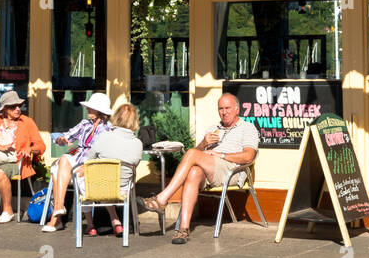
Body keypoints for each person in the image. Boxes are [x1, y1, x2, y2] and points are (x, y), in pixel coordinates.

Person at [139, 92, 259, 244]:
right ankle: (183, 229)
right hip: (210, 169)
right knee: (194, 171)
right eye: (220, 108)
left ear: (237, 109)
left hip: (232, 169)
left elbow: (248, 156)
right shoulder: (213, 128)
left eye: (227, 108)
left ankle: (162, 198)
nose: (224, 112)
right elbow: (195, 157)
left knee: (191, 153)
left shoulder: (248, 128)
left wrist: (220, 154)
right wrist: (203, 143)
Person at [41, 91, 113, 233]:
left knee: (57, 170)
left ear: (99, 111)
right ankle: (59, 207)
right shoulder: (85, 124)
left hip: (91, 166)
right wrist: (61, 139)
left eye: (90, 107)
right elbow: (66, 136)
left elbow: (105, 153)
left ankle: (56, 219)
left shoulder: (107, 129)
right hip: (75, 164)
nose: (87, 109)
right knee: (62, 160)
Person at [0, 90, 45, 223]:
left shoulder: (27, 122)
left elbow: (41, 146)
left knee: (0, 173)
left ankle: (8, 210)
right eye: (13, 106)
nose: (17, 109)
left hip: (16, 161)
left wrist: (30, 148)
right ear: (4, 109)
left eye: (19, 105)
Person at [75, 102, 142, 236]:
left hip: (99, 187)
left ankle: (90, 225)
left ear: (116, 117)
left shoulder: (104, 137)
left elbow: (89, 160)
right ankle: (115, 220)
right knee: (108, 180)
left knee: (82, 176)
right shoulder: (138, 144)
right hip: (123, 189)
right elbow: (134, 166)